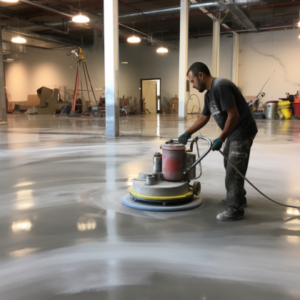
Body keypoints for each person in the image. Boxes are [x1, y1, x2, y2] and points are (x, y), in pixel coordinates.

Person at [178, 62, 258, 221]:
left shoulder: (220, 86)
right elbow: (203, 117)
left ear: (201, 75)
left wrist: (221, 138)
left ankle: (235, 208)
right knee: (229, 164)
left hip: (242, 132)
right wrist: (188, 133)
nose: (192, 86)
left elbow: (233, 115)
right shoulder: (209, 94)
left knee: (233, 171)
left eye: (192, 81)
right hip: (234, 133)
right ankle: (238, 197)